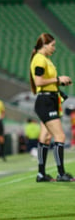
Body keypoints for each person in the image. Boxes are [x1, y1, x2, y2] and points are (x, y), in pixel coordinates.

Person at [29, 33, 74, 182]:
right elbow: (38, 82)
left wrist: (59, 84)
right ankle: (61, 173)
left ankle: (41, 174)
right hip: (46, 101)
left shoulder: (44, 59)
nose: (54, 48)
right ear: (44, 45)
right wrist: (58, 79)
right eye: (52, 45)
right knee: (60, 136)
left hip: (49, 99)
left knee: (46, 137)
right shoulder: (40, 60)